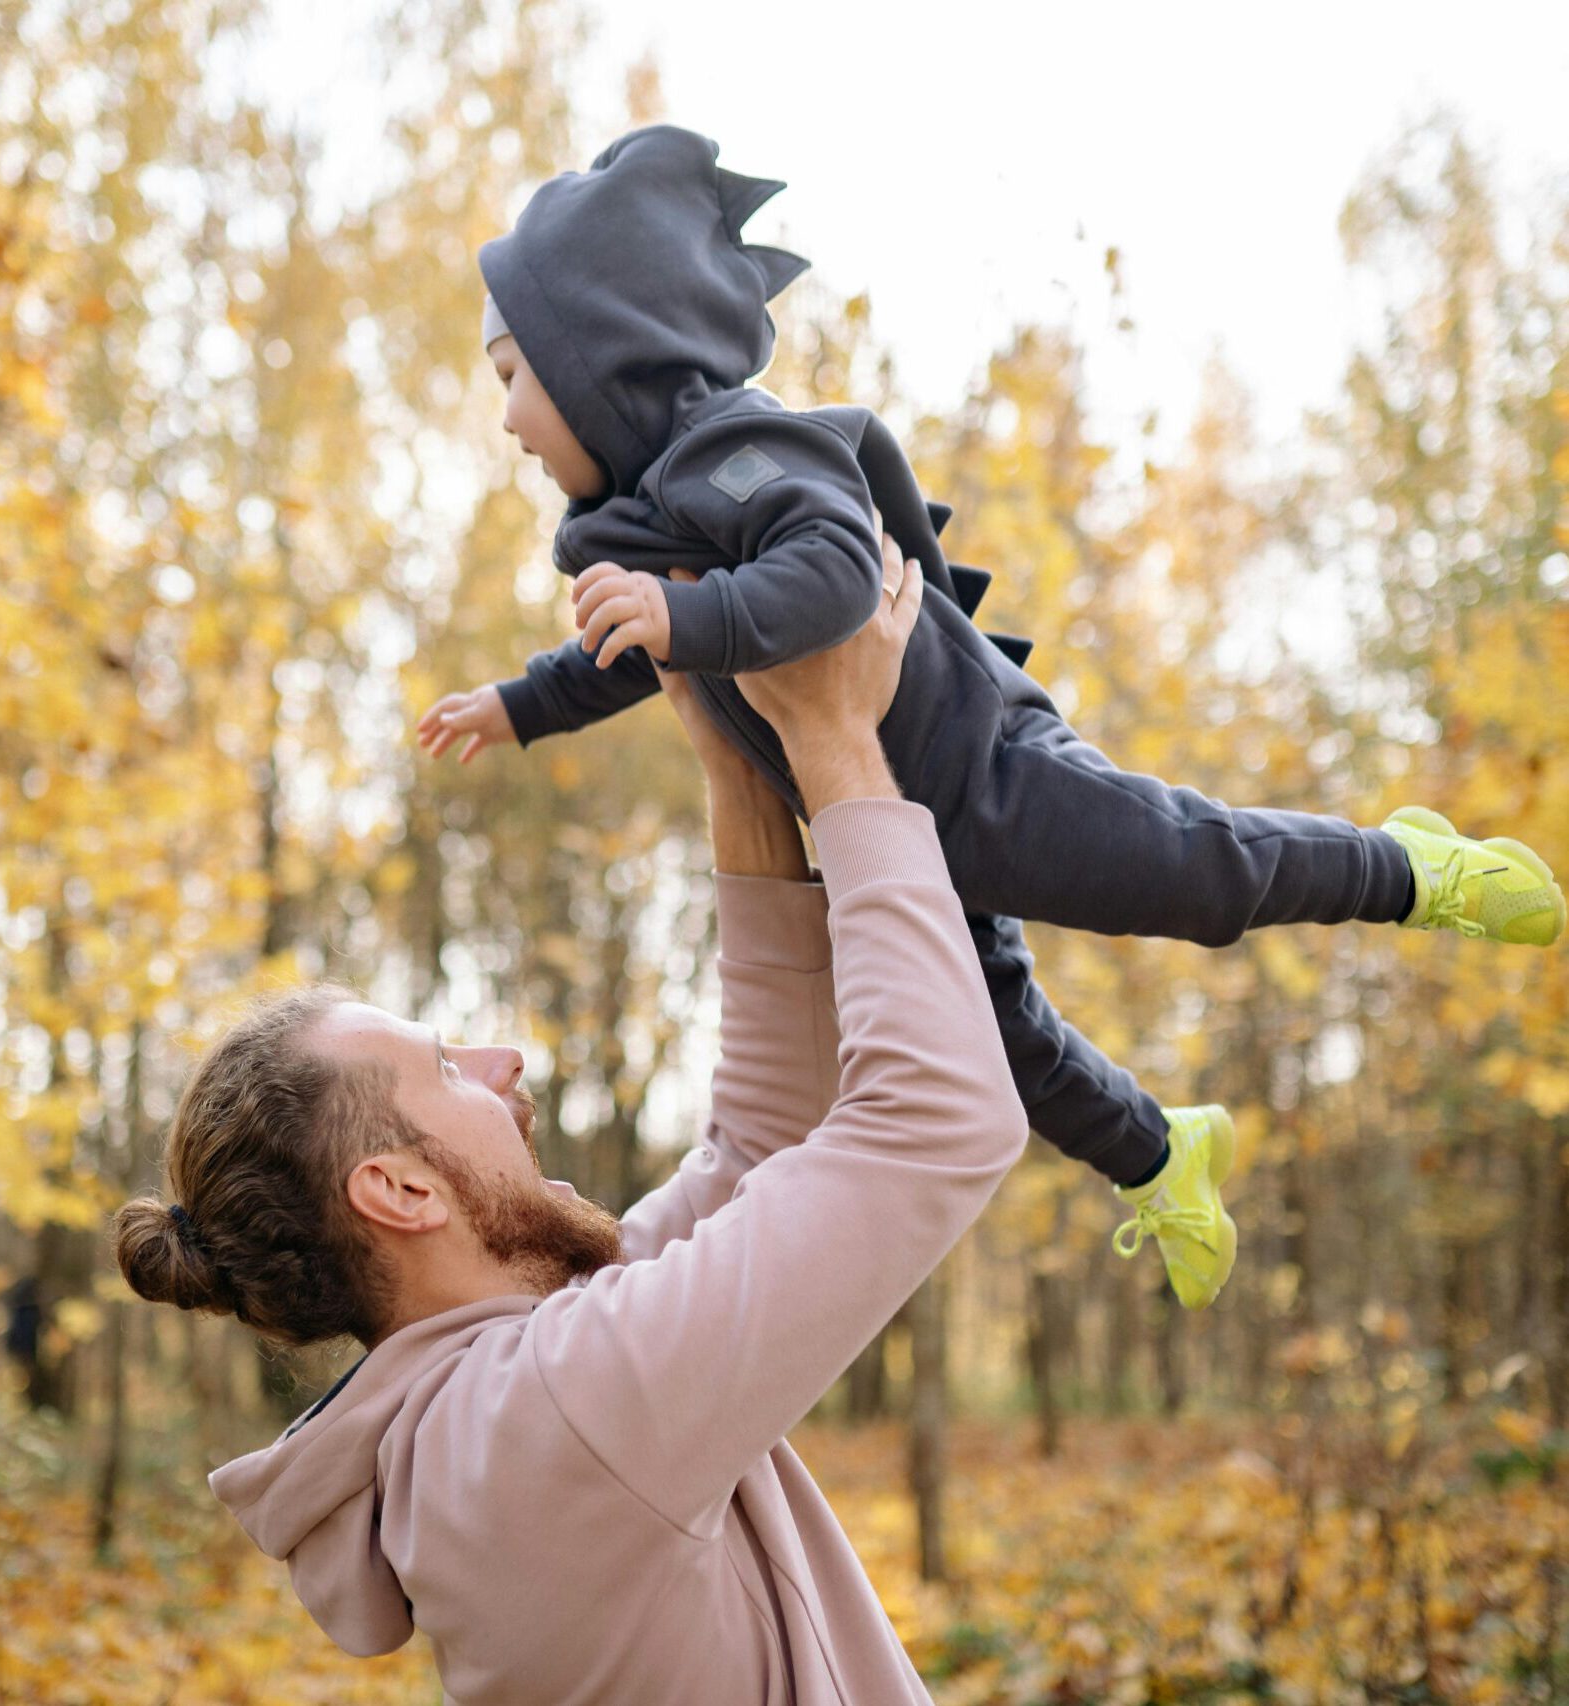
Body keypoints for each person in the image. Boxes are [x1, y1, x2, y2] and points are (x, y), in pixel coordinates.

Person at [417, 122, 1565, 1310]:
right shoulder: (642, 520)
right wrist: (519, 703)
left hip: (983, 770)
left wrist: (678, 616)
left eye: (512, 379)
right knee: (1005, 1049)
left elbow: (831, 575)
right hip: (895, 828)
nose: (506, 421)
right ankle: (1166, 1154)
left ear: (599, 353)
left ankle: (1408, 866)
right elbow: (633, 644)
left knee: (1187, 875)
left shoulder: (737, 448)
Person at [112, 539, 1025, 1703]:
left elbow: (761, 1146)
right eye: (447, 1065)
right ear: (399, 1189)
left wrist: (731, 749)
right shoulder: (549, 1418)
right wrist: (835, 741)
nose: (505, 1062)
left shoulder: (506, 1396)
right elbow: (935, 1121)